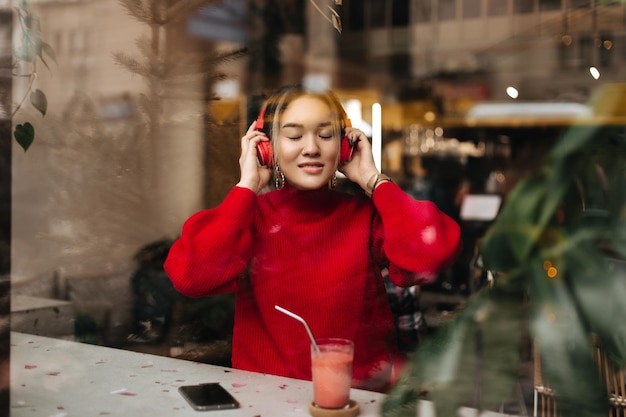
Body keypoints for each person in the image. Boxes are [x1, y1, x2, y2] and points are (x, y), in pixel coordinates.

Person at [164, 85, 461, 392]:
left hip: (359, 401)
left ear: (345, 147)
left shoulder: (366, 216)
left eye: (326, 134)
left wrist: (374, 180)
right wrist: (246, 186)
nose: (311, 148)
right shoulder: (250, 218)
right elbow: (191, 276)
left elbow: (433, 255)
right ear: (267, 148)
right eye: (294, 136)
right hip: (266, 402)